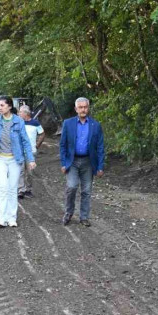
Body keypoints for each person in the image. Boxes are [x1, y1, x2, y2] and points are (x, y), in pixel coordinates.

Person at [0, 95, 36, 228]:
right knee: (2, 187)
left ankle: (12, 218)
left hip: (15, 159)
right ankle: (1, 218)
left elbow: (25, 141)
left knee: (12, 188)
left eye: (2, 105)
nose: (0, 108)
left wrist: (30, 159)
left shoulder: (18, 121)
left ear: (9, 106)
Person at [59, 97, 105, 227]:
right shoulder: (68, 123)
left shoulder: (96, 125)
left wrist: (100, 166)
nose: (83, 110)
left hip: (88, 162)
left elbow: (100, 147)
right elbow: (62, 145)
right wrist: (63, 163)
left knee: (86, 191)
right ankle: (68, 213)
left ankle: (84, 217)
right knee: (72, 187)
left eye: (85, 107)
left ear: (88, 108)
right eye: (80, 107)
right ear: (76, 109)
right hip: (72, 161)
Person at [17, 105, 45, 199]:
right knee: (20, 171)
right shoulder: (18, 123)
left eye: (20, 112)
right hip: (20, 151)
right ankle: (21, 190)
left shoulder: (35, 123)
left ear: (26, 113)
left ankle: (28, 190)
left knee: (30, 172)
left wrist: (37, 145)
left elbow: (42, 134)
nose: (19, 113)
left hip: (31, 151)